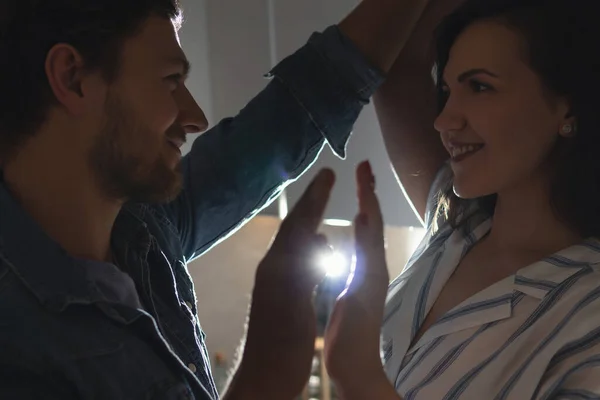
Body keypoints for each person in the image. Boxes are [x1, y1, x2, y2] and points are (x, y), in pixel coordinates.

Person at [0, 0, 433, 399]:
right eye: (170, 81)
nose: (195, 117)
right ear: (73, 78)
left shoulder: (146, 226)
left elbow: (295, 112)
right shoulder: (17, 343)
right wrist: (266, 377)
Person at [321, 0, 600, 398]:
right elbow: (398, 66)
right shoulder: (454, 223)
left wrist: (361, 379)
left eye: (480, 87)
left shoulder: (588, 309)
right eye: (448, 90)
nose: (444, 120)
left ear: (567, 106)